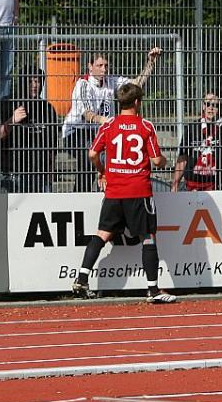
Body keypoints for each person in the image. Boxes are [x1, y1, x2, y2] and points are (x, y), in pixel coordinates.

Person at [71, 83, 176, 304]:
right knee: (148, 237)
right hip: (139, 191)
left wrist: (103, 172)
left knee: (102, 234)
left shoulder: (109, 126)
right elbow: (157, 160)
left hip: (114, 192)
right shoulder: (146, 126)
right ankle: (152, 289)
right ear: (137, 102)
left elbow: (92, 154)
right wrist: (165, 161)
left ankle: (81, 278)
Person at [62, 47, 162, 192]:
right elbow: (87, 114)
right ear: (90, 67)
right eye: (99, 66)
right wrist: (106, 121)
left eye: (106, 66)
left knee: (115, 157)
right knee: (90, 159)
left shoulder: (111, 81)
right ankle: (80, 195)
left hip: (99, 132)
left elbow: (136, 85)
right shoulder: (83, 84)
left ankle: (110, 191)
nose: (104, 70)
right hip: (75, 132)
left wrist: (150, 63)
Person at [0, 66, 60, 193]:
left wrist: (49, 175)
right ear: (22, 82)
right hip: (12, 173)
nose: (34, 85)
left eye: (37, 81)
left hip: (39, 174)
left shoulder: (48, 109)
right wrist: (12, 120)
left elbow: (52, 147)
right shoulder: (7, 103)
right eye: (30, 81)